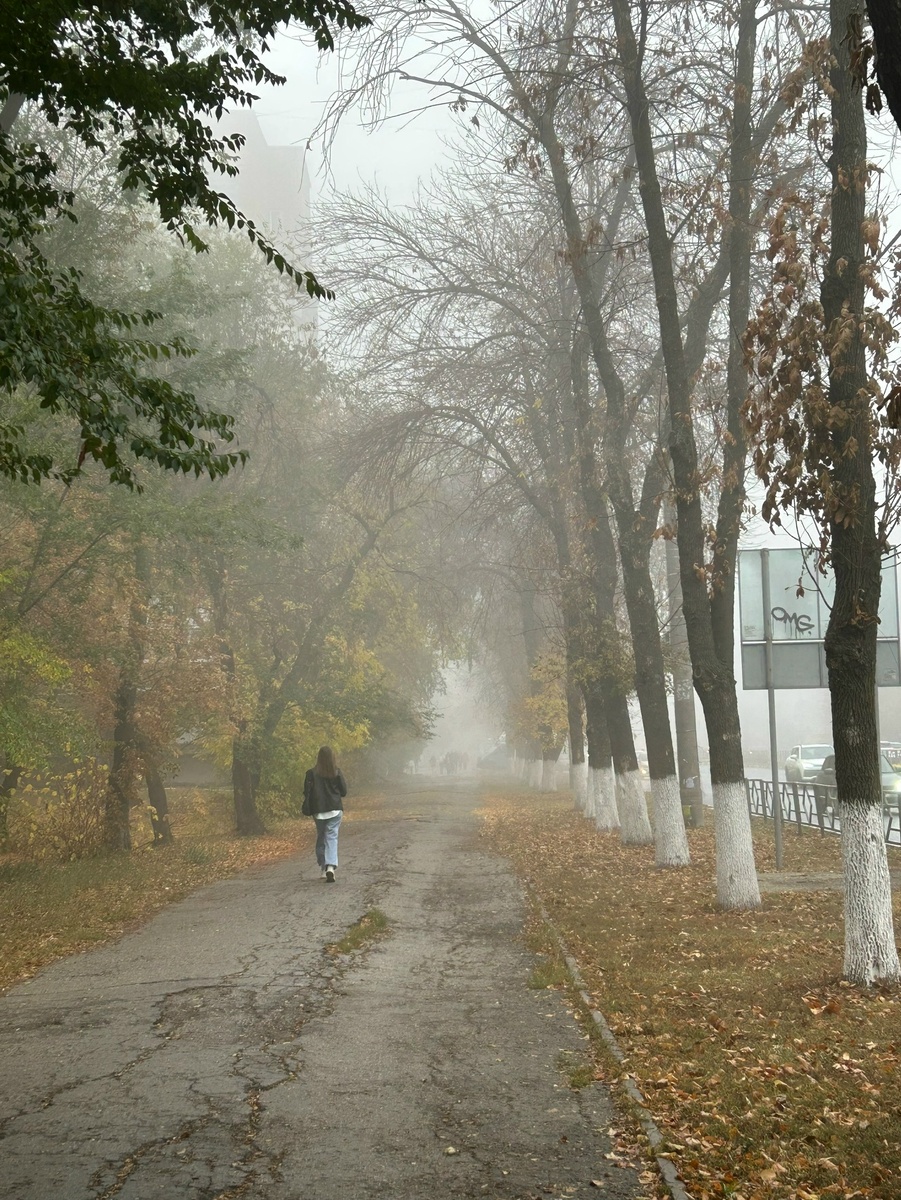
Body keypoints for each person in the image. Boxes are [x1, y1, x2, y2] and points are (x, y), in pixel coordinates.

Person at [303, 746, 347, 883]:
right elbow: (344, 791)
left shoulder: (311, 773)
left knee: (321, 836)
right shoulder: (337, 772)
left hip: (319, 811)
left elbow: (306, 792)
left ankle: (323, 867)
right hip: (335, 809)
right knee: (332, 837)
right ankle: (330, 867)